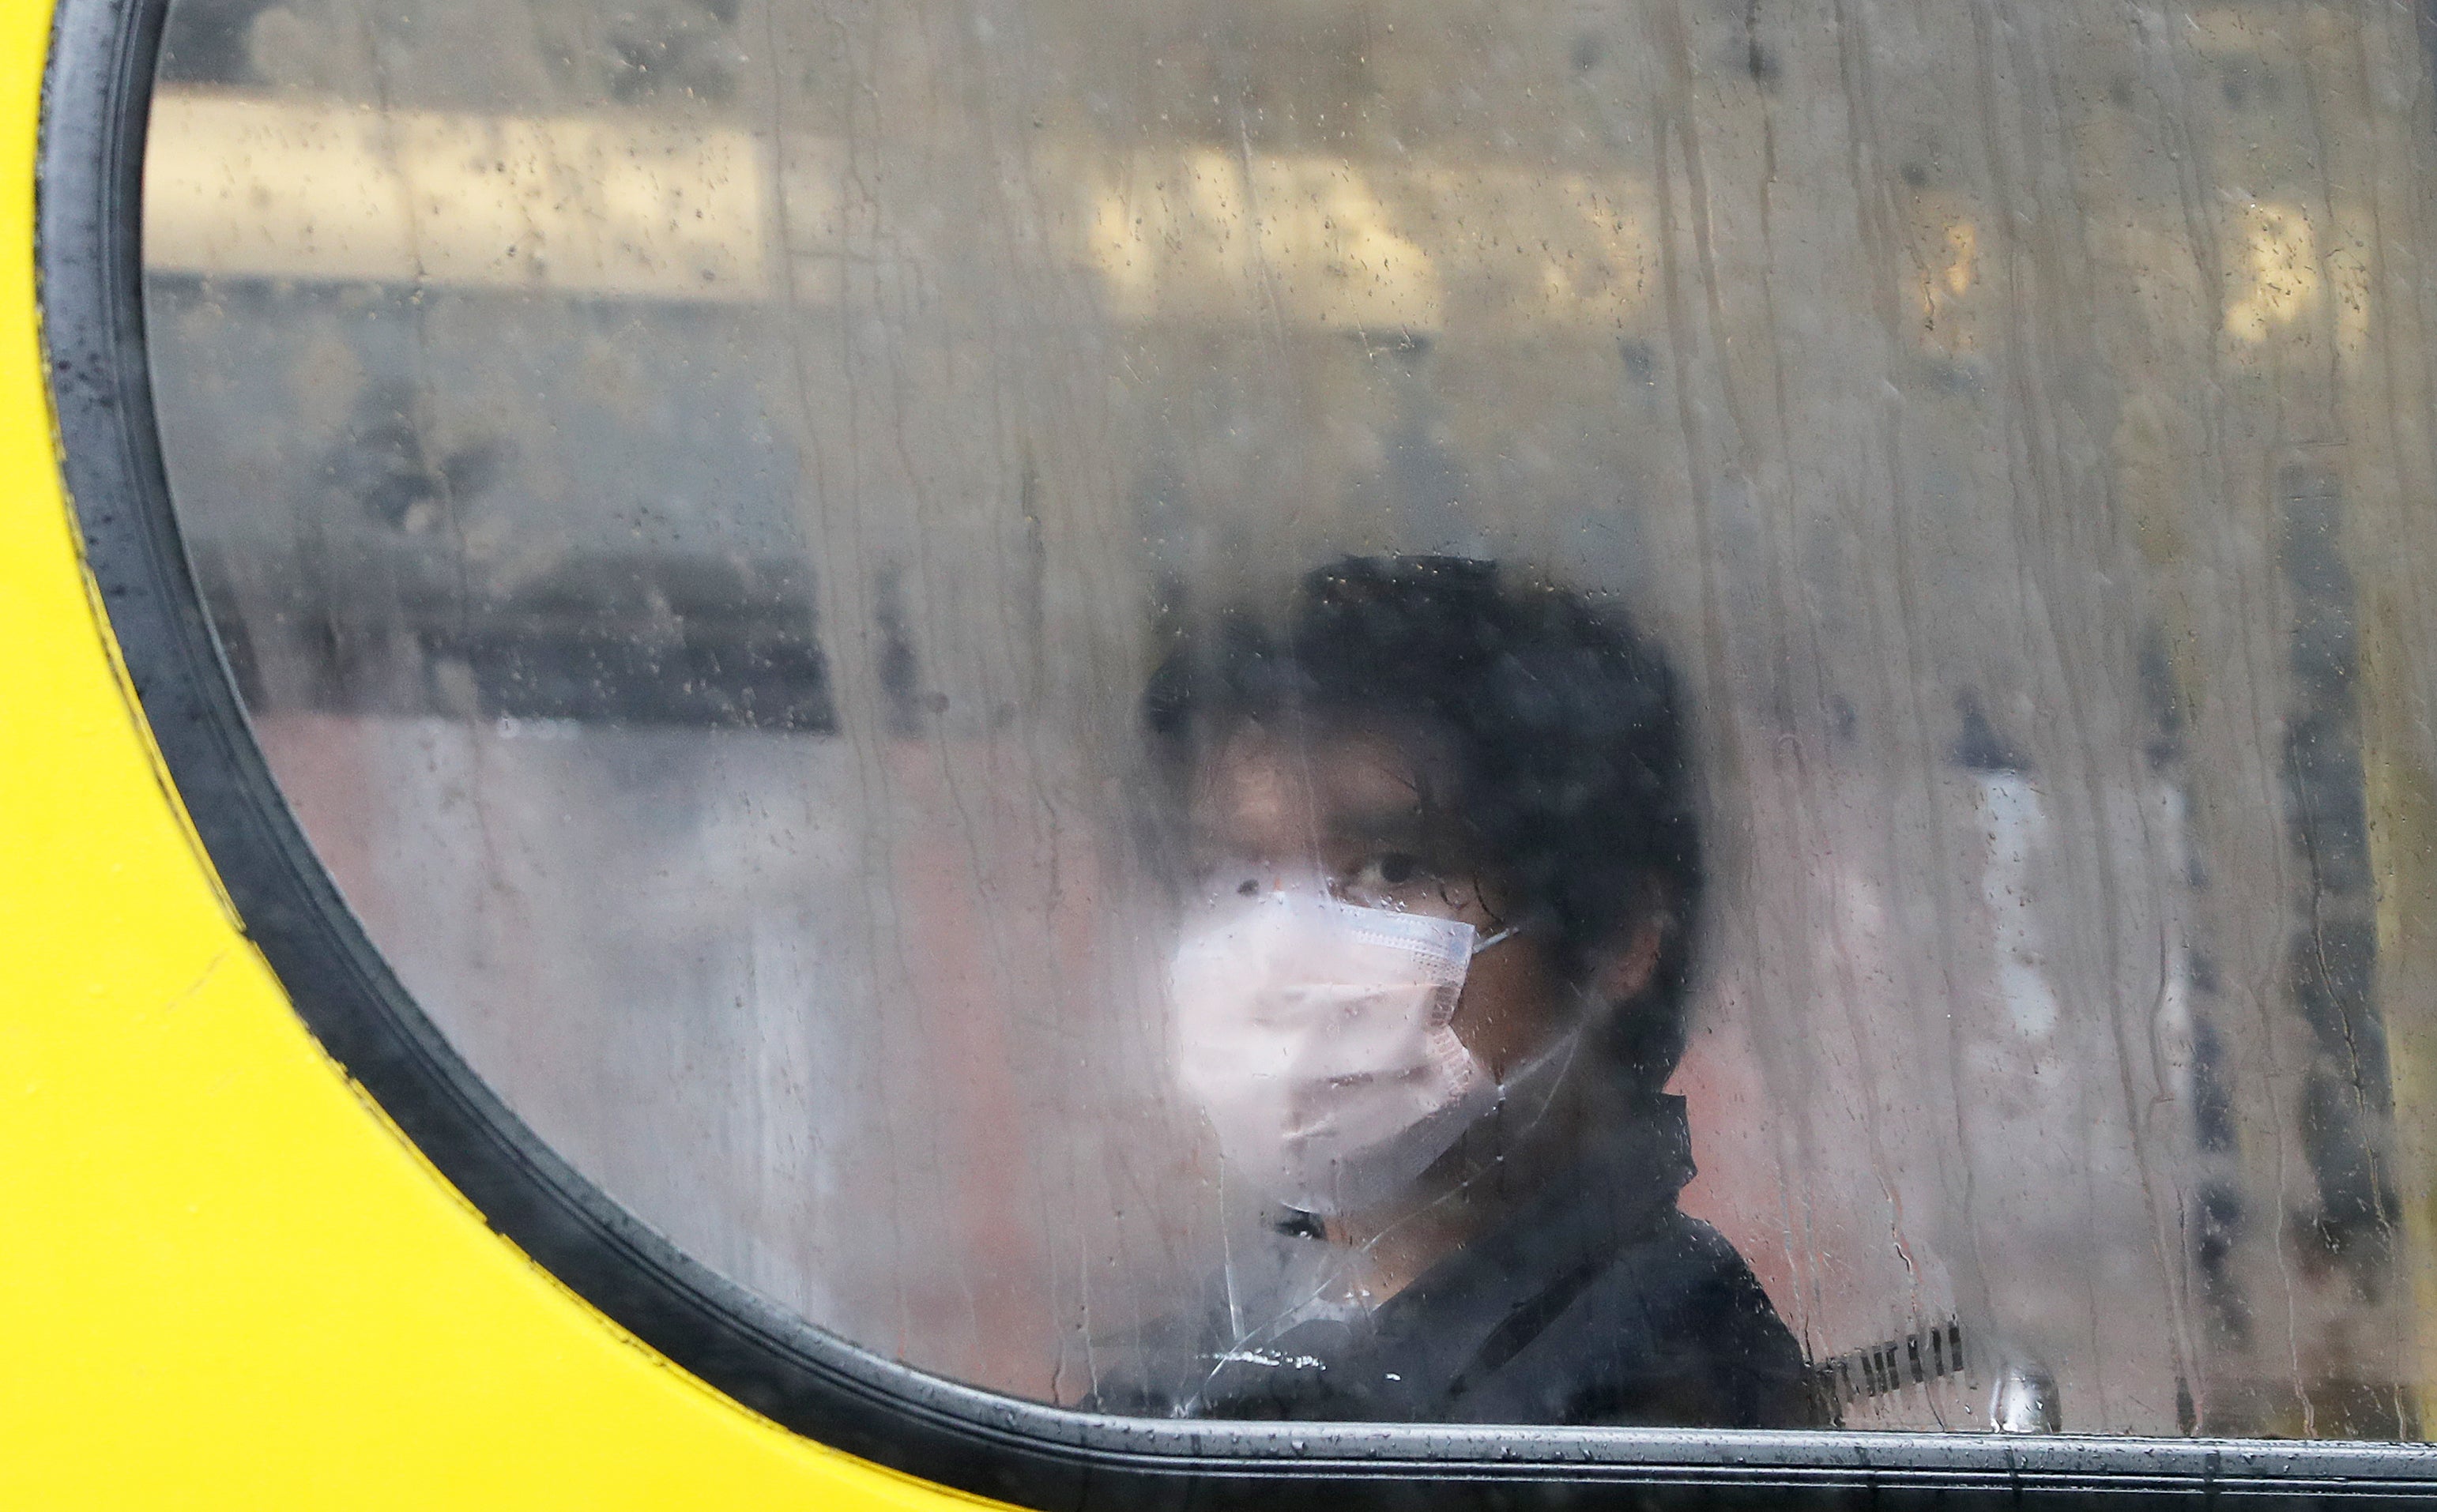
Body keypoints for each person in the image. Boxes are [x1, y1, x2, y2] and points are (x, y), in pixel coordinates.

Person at [1089, 555, 1816, 1428]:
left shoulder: (1658, 1392)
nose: (1280, 949)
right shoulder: (1239, 1325)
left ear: (1621, 936)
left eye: (1392, 868)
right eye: (1236, 877)